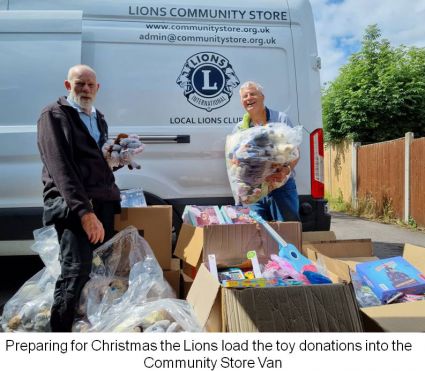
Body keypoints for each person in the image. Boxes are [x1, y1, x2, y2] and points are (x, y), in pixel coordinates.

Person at [37, 64, 121, 332]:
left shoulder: (99, 118)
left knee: (99, 274)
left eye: (90, 85)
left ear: (98, 88)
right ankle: (59, 338)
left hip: (102, 203)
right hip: (74, 207)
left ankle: (87, 332)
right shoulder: (55, 115)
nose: (85, 89)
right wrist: (85, 214)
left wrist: (117, 160)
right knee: (75, 272)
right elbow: (61, 168)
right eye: (79, 84)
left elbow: (97, 164)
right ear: (67, 85)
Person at [233, 81, 300, 222]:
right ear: (241, 102)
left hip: (280, 186)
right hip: (253, 191)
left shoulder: (280, 119)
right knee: (256, 233)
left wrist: (286, 170)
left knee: (287, 232)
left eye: (253, 94)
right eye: (245, 96)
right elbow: (234, 159)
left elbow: (294, 152)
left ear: (262, 97)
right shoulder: (240, 129)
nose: (249, 98)